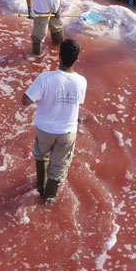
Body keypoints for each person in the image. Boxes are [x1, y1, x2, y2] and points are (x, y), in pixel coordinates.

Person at [21, 38, 86, 201]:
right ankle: (47, 201)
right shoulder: (81, 81)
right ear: (77, 59)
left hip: (44, 129)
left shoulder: (45, 78)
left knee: (41, 156)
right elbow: (77, 104)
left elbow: (25, 100)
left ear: (59, 56)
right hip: (67, 131)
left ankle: (40, 188)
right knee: (57, 171)